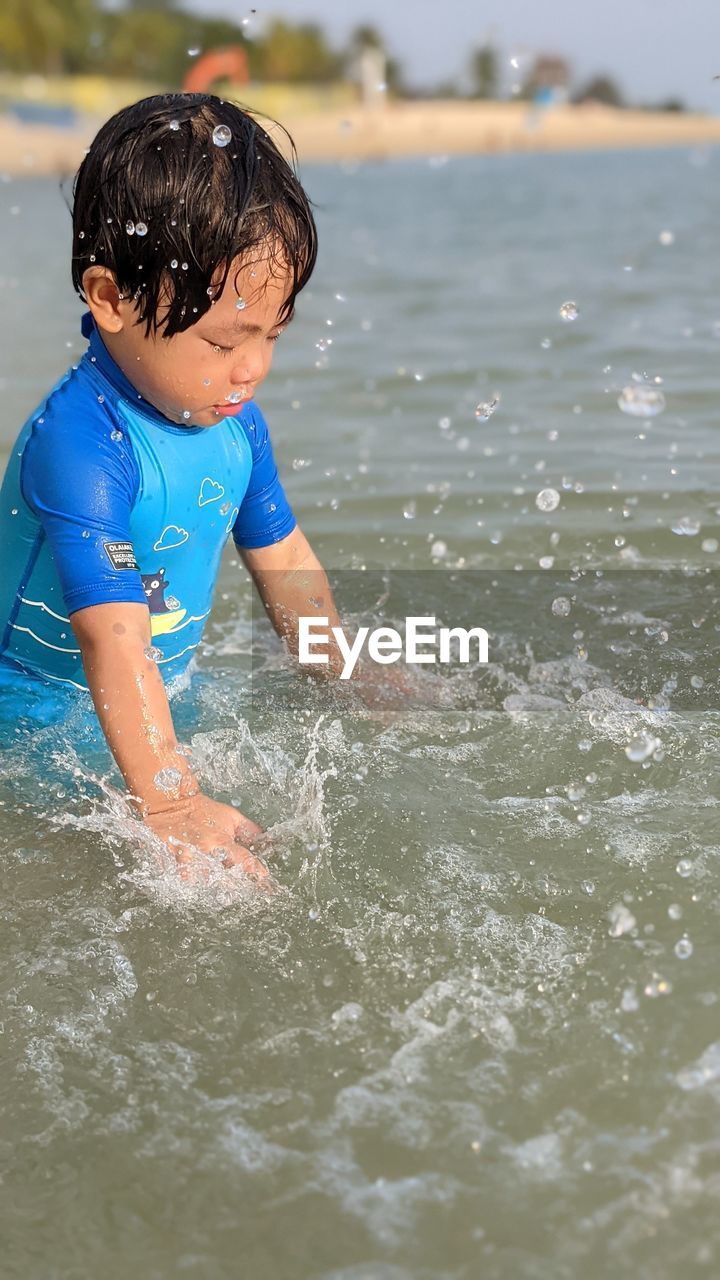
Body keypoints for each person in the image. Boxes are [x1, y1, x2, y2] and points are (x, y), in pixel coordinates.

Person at [0, 93, 347, 881]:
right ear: (111, 297)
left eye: (273, 333)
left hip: (159, 701)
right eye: (226, 338)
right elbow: (111, 636)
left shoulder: (233, 423)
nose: (253, 367)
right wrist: (168, 802)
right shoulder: (82, 445)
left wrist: (344, 671)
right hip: (30, 727)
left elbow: (284, 554)